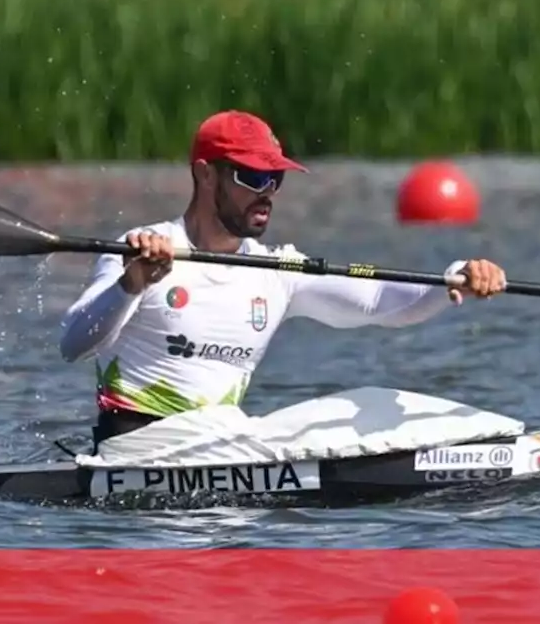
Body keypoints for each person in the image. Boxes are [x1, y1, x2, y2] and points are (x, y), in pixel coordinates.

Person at [58, 110, 507, 447]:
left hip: (218, 456)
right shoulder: (142, 247)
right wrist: (131, 284)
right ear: (205, 174)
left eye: (275, 178)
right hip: (131, 455)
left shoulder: (277, 271)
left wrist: (453, 279)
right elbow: (73, 344)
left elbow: (377, 303)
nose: (268, 194)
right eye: (253, 176)